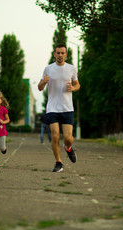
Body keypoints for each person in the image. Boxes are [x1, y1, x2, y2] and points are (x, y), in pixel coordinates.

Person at [38, 43, 81, 172]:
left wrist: (73, 88)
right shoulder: (48, 69)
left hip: (67, 107)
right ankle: (58, 162)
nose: (60, 55)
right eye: (58, 53)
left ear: (66, 54)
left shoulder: (71, 69)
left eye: (63, 53)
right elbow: (40, 88)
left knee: (68, 138)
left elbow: (77, 84)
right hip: (52, 108)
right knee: (55, 136)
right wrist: (44, 82)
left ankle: (68, 148)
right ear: (54, 54)